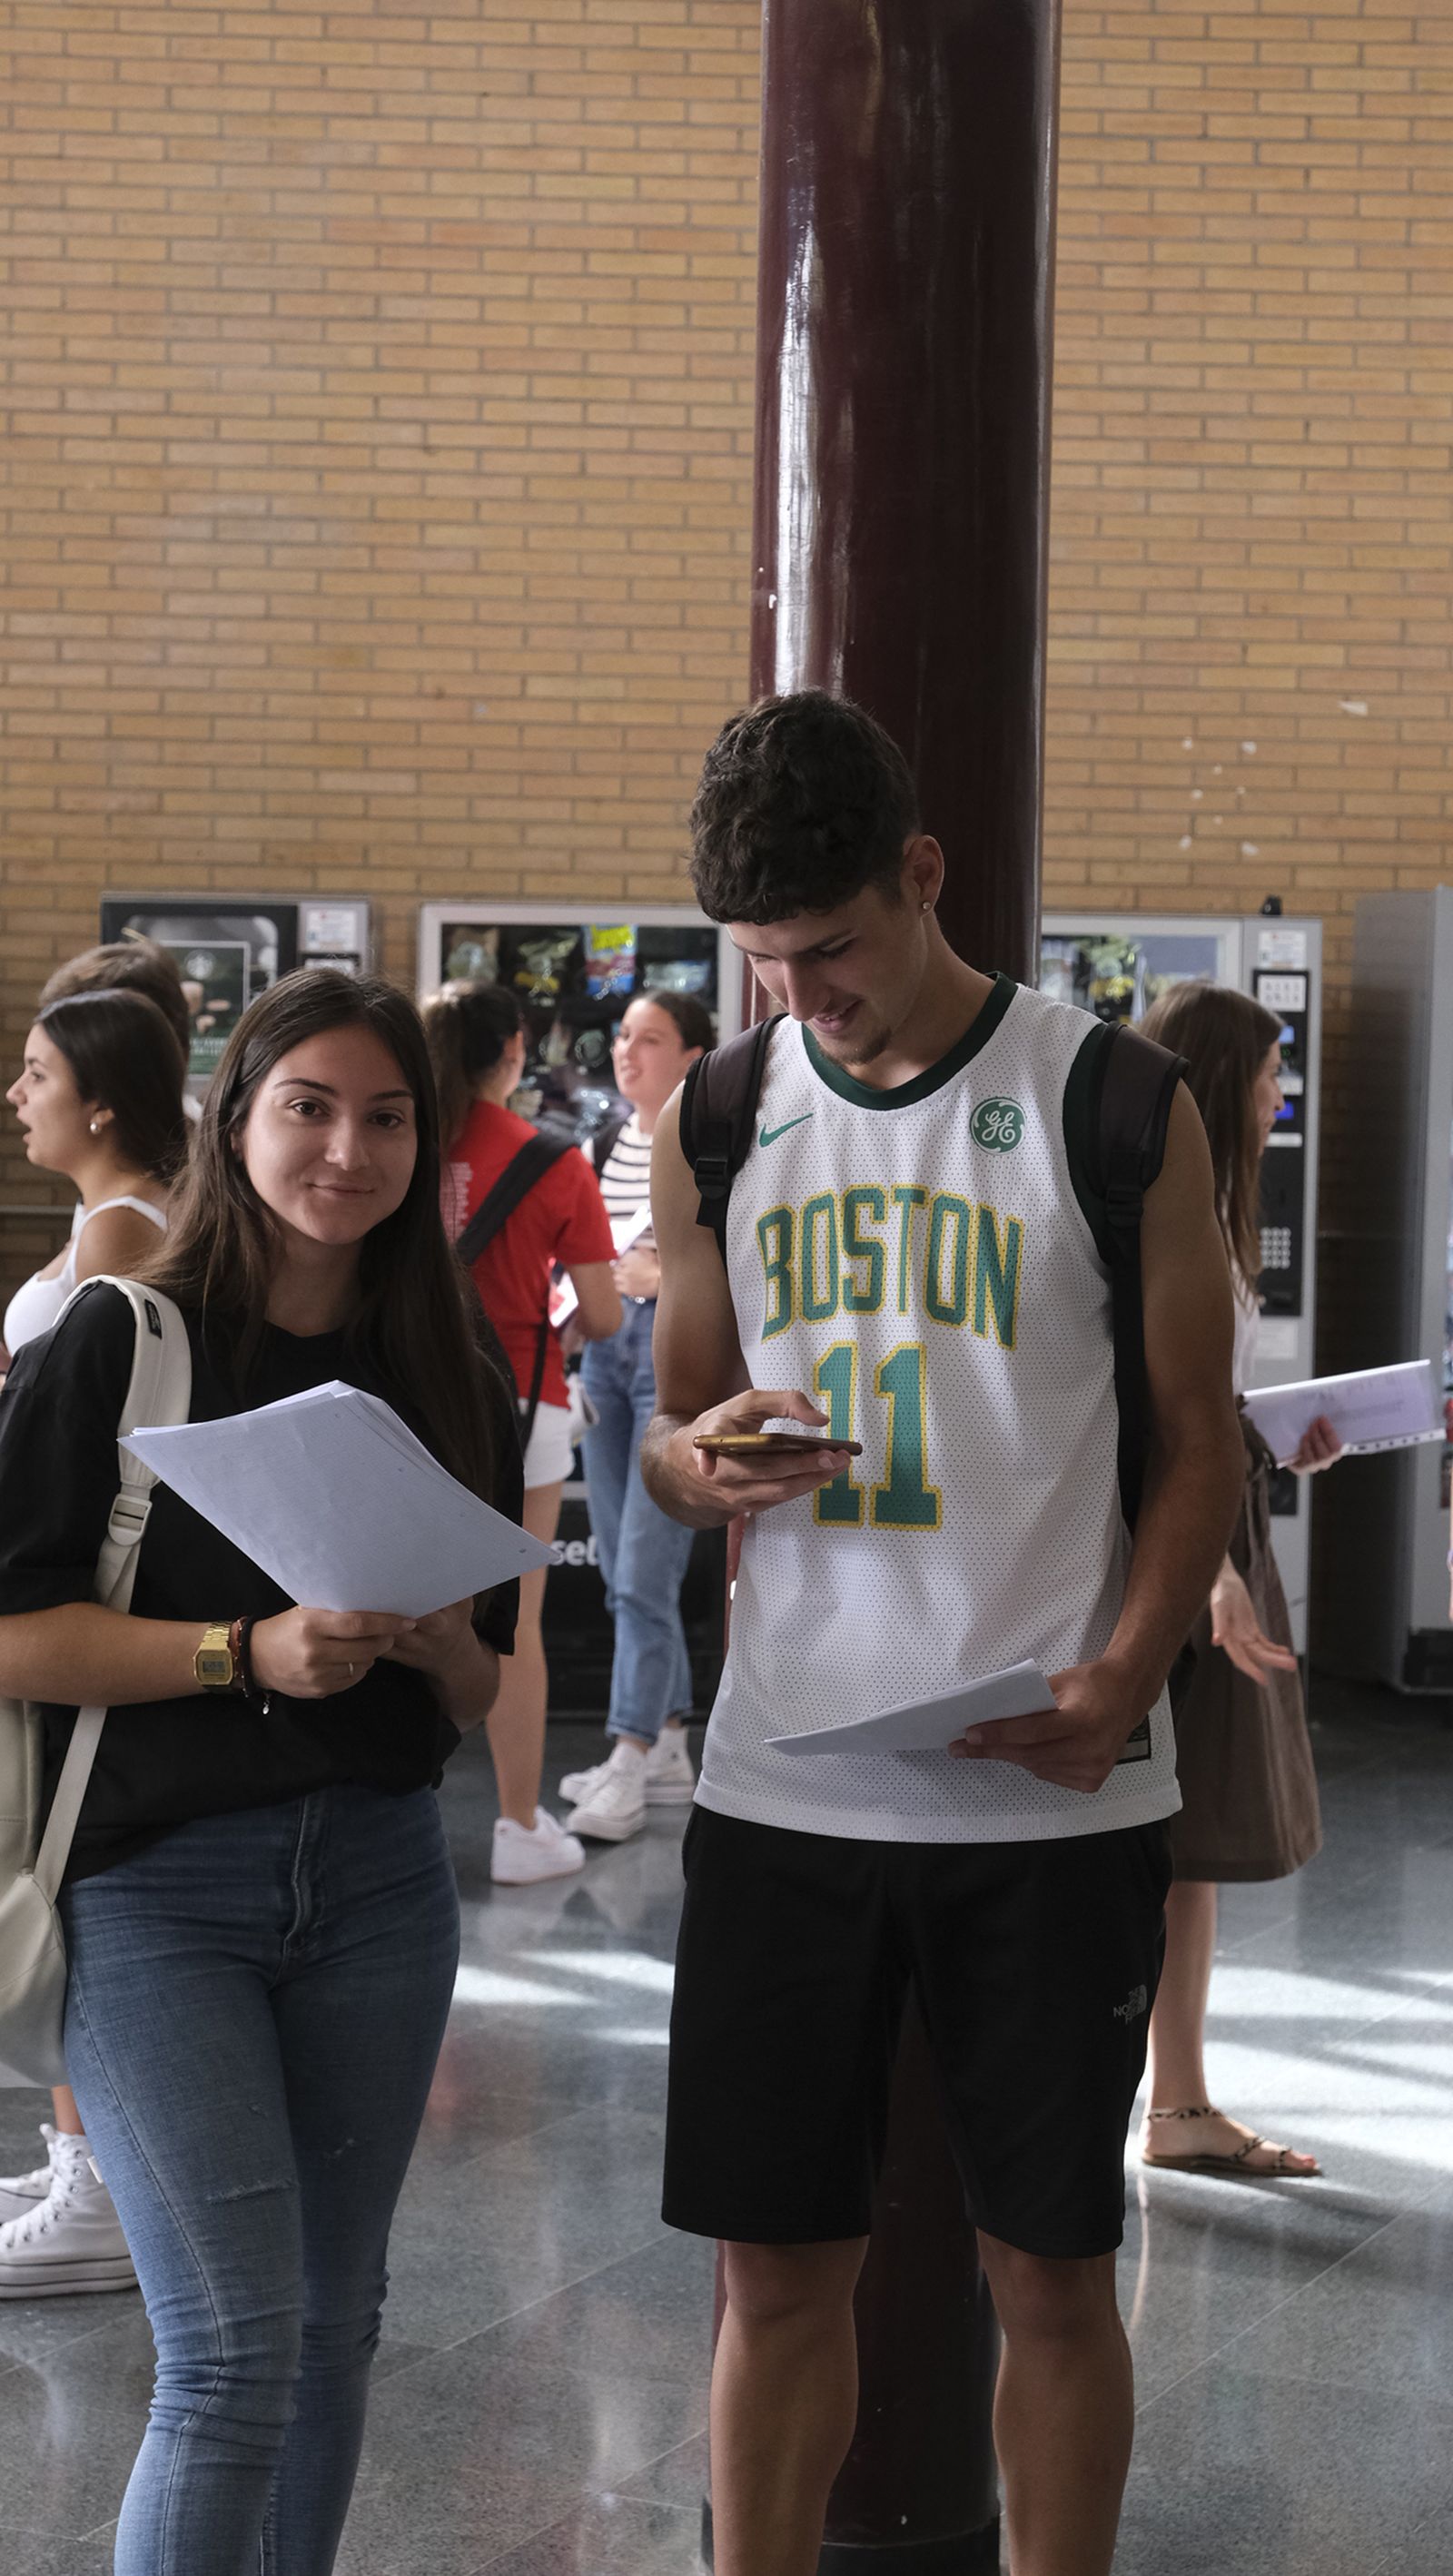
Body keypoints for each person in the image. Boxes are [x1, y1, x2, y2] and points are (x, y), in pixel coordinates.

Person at [640, 692, 1246, 2576]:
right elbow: (674, 1429)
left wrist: (1127, 1673)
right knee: (769, 2268)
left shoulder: (1108, 1103)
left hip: (1042, 1794)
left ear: (920, 874)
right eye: (765, 963)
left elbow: (1194, 1444)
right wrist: (691, 1465)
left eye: (832, 950)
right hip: (786, 1778)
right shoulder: (721, 1115)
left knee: (1048, 2271)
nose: (804, 998)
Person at [0, 968, 520, 2576]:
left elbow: (485, 1674)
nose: (343, 1151)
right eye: (307, 1106)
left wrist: (441, 1650)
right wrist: (245, 1652)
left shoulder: (449, 1370)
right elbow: (14, 1632)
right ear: (238, 1120)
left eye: (383, 1118)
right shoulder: (125, 1336)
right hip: (160, 1892)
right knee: (228, 2352)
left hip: (376, 1881)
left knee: (331, 2323)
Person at [0, 986, 188, 2301]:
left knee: (50, 1844)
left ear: (102, 1101)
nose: (19, 1093)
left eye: (35, 1071)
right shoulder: (104, 1221)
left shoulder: (126, 1234)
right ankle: (79, 2150)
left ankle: (99, 2174)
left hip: (86, 1587)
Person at [1136, 981, 1341, 2177]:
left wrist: (1277, 1434)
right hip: (1188, 1546)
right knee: (1177, 1835)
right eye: (1269, 1073)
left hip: (1216, 1523)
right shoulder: (1173, 1224)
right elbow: (1151, 1426)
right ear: (1221, 1078)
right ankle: (1170, 2102)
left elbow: (1201, 1414)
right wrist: (1212, 1570)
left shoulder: (1203, 1212)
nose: (1281, 1093)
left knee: (1190, 1841)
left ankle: (1179, 2098)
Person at [425, 982, 621, 1883]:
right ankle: (515, 1825)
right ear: (511, 1052)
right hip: (520, 1403)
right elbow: (608, 1313)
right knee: (515, 1622)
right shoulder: (554, 1161)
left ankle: (392, 1814)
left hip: (408, 1396)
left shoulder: (403, 1138)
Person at [559, 990, 716, 1841]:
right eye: (621, 1036)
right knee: (623, 1558)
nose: (627, 1052)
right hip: (608, 1355)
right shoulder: (605, 1141)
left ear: (693, 1054)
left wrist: (674, 1278)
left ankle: (625, 1752)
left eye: (649, 1039)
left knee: (640, 1575)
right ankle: (665, 1741)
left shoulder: (709, 1138)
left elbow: (742, 1251)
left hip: (673, 1358)